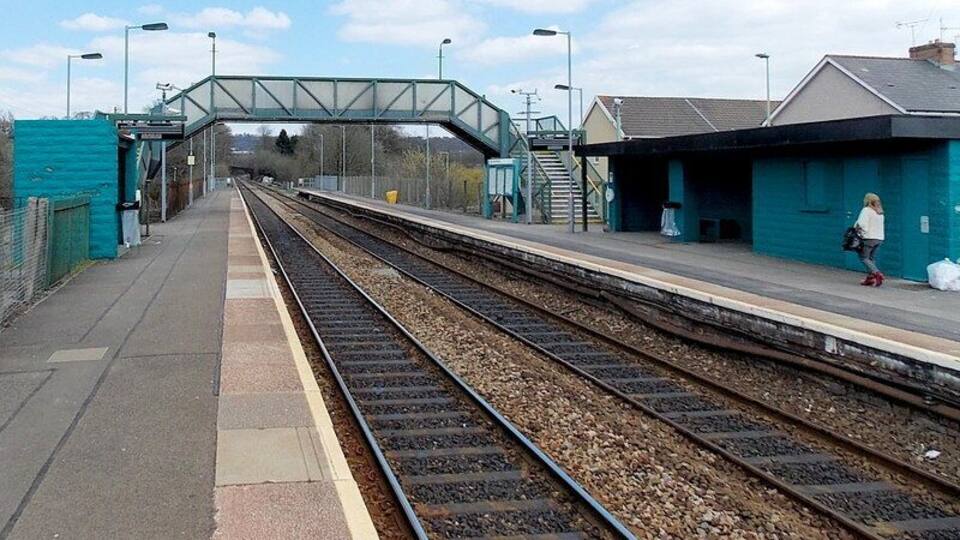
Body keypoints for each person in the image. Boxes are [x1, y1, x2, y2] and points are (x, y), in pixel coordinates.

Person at [855, 193, 885, 287]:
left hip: (869, 238)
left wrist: (858, 233)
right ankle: (870, 279)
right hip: (879, 238)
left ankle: (877, 273)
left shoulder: (866, 210)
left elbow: (862, 224)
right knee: (871, 259)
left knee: (863, 257)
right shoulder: (880, 212)